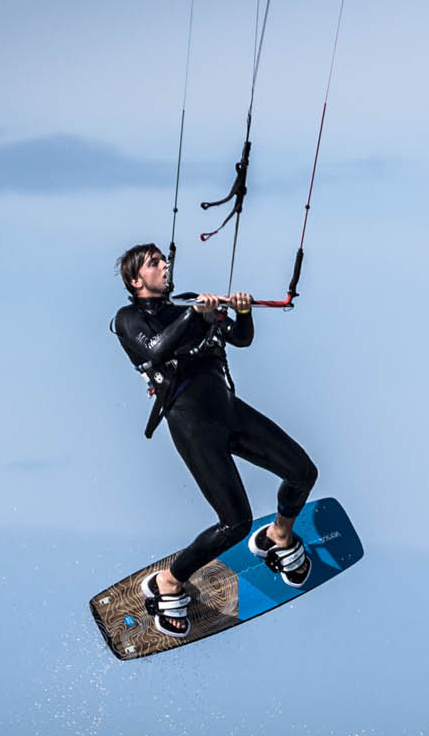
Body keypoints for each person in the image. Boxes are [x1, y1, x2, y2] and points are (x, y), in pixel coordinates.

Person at [110, 243, 318, 639]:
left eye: (163, 259)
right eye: (154, 263)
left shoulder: (189, 306)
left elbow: (240, 339)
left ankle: (279, 535)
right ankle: (169, 581)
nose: (164, 265)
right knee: (235, 523)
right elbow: (156, 350)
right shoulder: (129, 319)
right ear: (136, 281)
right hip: (192, 425)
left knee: (303, 472)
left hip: (229, 411)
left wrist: (239, 310)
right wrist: (195, 314)